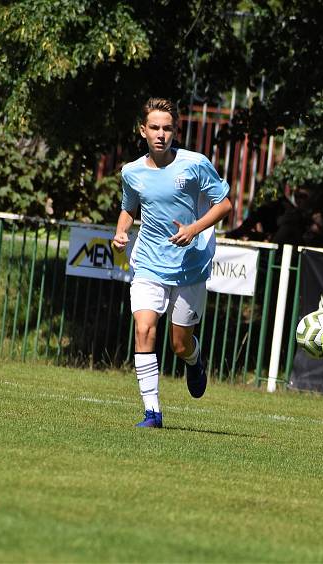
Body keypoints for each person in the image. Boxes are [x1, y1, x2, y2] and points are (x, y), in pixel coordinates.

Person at [112, 98, 232, 428]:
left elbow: (225, 206)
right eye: (154, 128)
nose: (161, 134)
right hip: (149, 262)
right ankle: (152, 412)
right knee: (144, 328)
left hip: (189, 264)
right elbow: (128, 208)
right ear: (143, 131)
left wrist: (194, 229)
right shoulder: (132, 172)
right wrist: (121, 232)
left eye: (167, 128)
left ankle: (194, 362)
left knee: (180, 344)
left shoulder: (195, 164)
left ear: (175, 131)